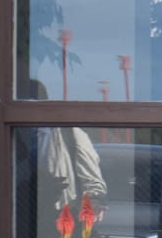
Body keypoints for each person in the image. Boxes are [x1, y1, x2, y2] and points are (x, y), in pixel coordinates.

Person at [24, 80, 108, 237]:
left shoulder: (70, 135)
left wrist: (94, 200)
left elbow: (91, 178)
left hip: (60, 219)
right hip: (24, 216)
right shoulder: (14, 135)